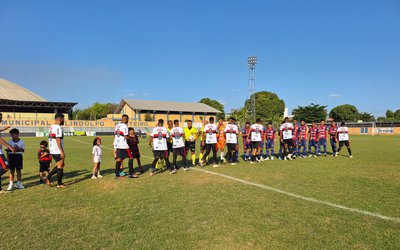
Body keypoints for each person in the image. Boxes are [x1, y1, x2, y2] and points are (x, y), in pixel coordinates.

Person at [44, 113, 66, 188]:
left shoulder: (52, 127)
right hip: (57, 150)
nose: (64, 120)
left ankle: (48, 178)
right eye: (63, 119)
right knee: (60, 166)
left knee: (61, 165)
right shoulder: (58, 128)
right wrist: (61, 151)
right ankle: (59, 184)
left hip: (53, 149)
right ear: (60, 119)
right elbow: (58, 140)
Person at [113, 114, 134, 179]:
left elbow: (115, 134)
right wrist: (132, 138)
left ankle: (117, 175)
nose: (128, 120)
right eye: (128, 119)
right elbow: (126, 136)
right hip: (124, 145)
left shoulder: (117, 125)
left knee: (119, 159)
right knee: (131, 157)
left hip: (117, 144)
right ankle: (130, 174)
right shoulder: (124, 126)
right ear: (125, 119)